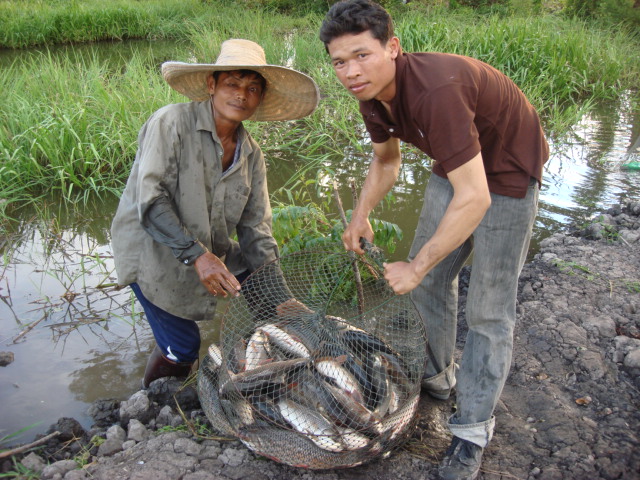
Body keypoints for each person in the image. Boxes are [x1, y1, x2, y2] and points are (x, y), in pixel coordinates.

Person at [319, 2, 549, 479]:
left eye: (362, 55)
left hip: (507, 171)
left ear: (393, 48)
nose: (351, 72)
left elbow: (476, 198)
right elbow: (386, 161)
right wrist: (360, 216)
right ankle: (438, 380)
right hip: (457, 162)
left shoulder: (436, 91)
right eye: (339, 61)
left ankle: (471, 433)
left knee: (488, 309)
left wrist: (417, 263)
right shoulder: (370, 94)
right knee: (429, 284)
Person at [111, 39, 320, 389]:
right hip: (152, 251)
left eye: (253, 88)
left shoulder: (251, 156)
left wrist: (281, 296)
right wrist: (199, 256)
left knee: (262, 280)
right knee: (183, 346)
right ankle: (152, 404)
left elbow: (257, 230)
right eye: (232, 84)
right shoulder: (171, 124)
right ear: (211, 85)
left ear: (260, 98)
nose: (242, 94)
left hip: (206, 249)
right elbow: (150, 200)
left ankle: (266, 359)